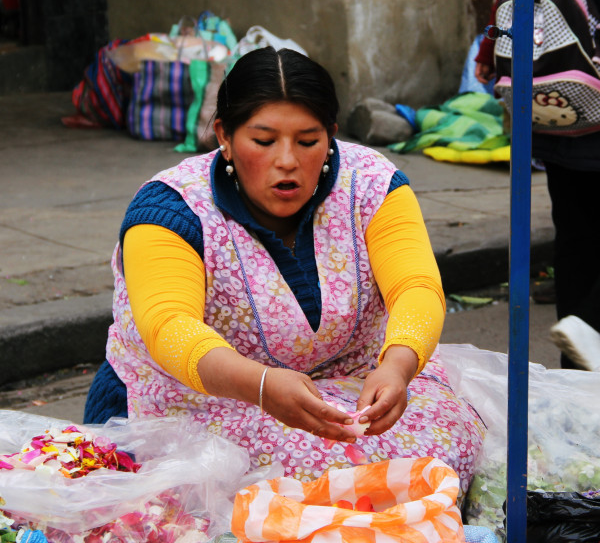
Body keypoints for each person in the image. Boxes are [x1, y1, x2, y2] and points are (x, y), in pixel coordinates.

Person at [85, 47, 485, 500]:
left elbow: (416, 286)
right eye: (264, 140)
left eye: (308, 140)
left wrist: (397, 366)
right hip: (197, 406)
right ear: (224, 136)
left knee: (438, 452)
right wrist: (259, 385)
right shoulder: (170, 209)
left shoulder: (373, 184)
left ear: (331, 136)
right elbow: (168, 326)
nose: (288, 160)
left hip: (350, 391)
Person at [475, 0, 600, 371]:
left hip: (559, 104)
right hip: (589, 101)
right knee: (579, 234)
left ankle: (577, 367)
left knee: (577, 235)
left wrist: (487, 54)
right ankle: (590, 325)